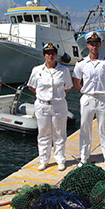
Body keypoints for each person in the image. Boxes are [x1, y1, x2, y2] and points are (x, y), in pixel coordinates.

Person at [72, 32, 105, 170]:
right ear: (88, 45)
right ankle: (84, 158)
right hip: (87, 98)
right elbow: (76, 80)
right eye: (92, 44)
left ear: (100, 45)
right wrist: (83, 91)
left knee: (104, 129)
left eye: (97, 44)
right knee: (85, 129)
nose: (94, 46)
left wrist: (104, 90)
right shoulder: (81, 63)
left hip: (103, 98)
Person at [28, 43, 73, 171]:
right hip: (42, 105)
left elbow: (68, 87)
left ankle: (60, 159)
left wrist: (57, 97)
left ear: (56, 54)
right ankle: (44, 160)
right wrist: (42, 96)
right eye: (48, 53)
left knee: (59, 133)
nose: (50, 55)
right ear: (44, 55)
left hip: (59, 104)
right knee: (43, 133)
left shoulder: (63, 70)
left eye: (53, 53)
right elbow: (32, 86)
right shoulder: (37, 70)